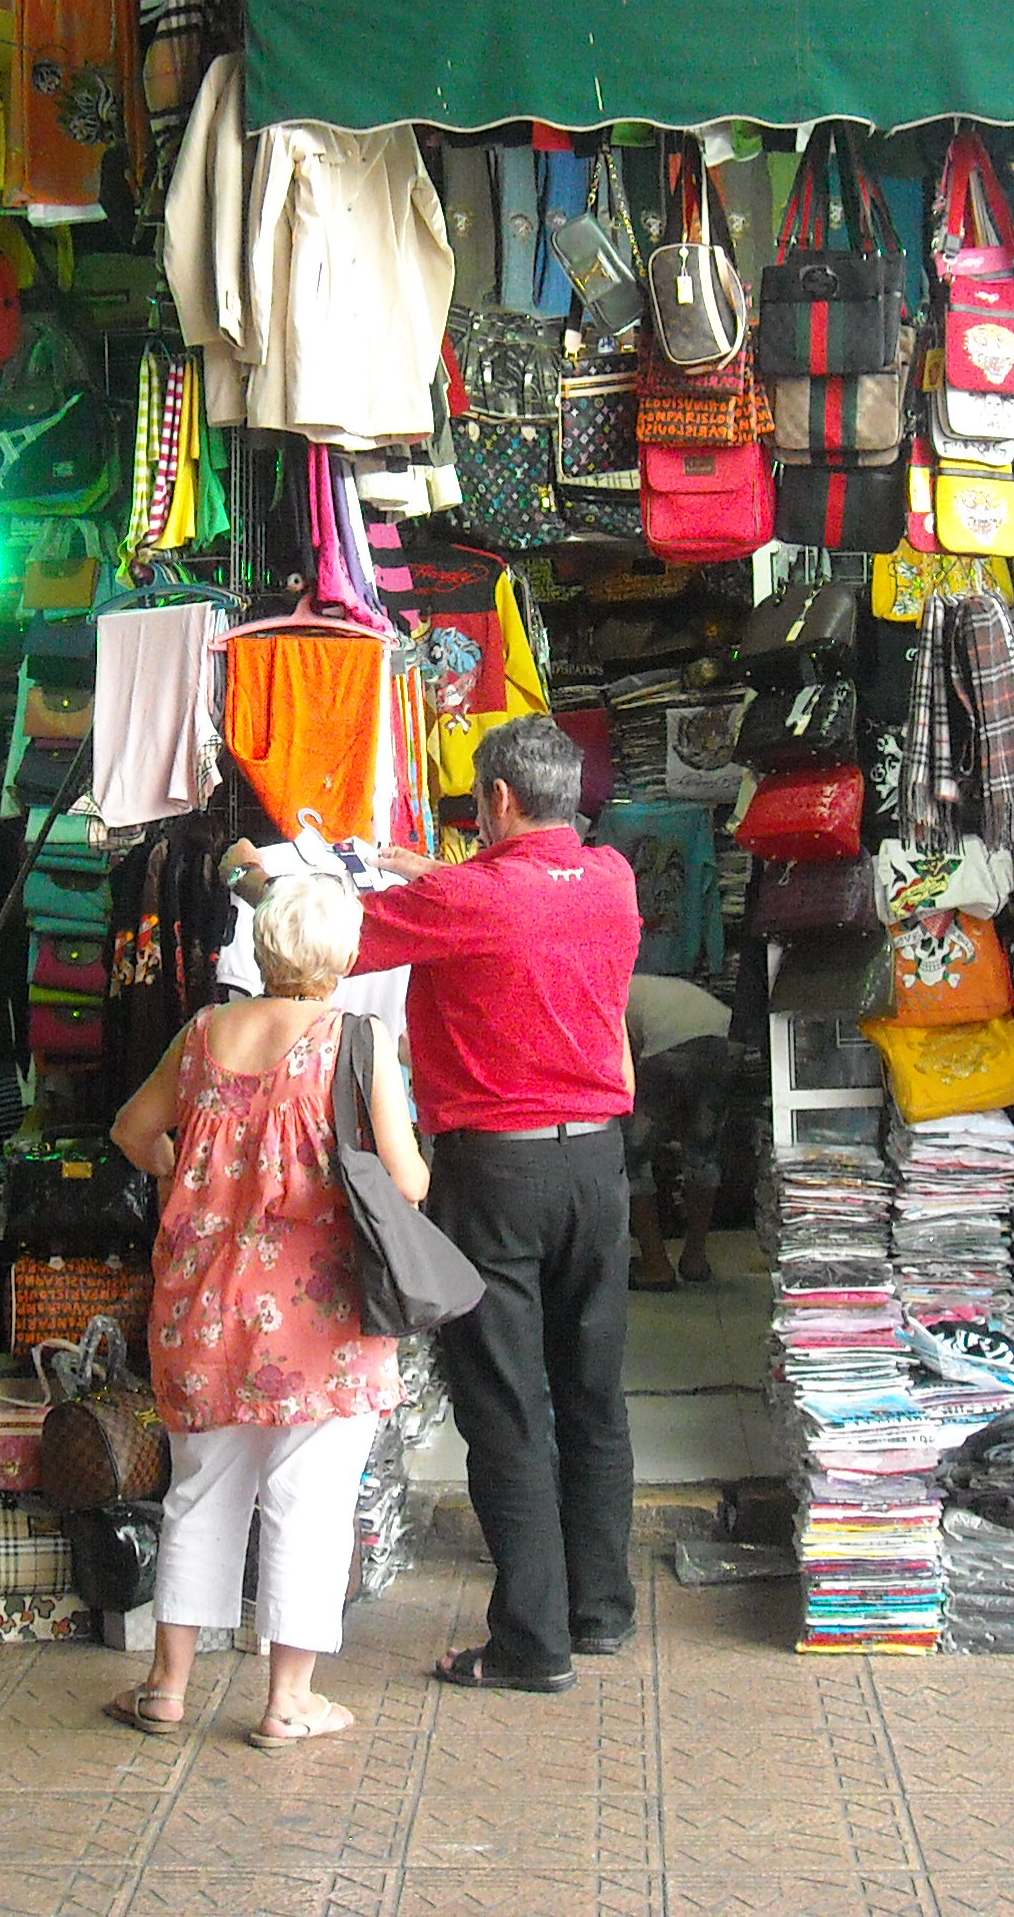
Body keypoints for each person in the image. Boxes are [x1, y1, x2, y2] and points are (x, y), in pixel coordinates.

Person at [352, 713, 644, 1691]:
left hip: (495, 1178)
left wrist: (263, 878)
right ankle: (600, 1611)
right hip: (597, 1168)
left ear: (500, 799)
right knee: (593, 1394)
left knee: (507, 1406)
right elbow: (504, 894)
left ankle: (531, 1642)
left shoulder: (464, 898)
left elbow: (332, 944)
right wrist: (424, 871)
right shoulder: (612, 879)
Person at [105, 873, 425, 1749]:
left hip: (203, 1303)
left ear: (264, 948)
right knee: (307, 1501)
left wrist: (182, 1171)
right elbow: (407, 1180)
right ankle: (288, 1701)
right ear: (346, 957)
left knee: (199, 1492)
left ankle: (167, 1688)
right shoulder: (356, 1039)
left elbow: (132, 1130)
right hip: (320, 1318)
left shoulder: (203, 1033)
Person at [624, 973, 743, 1293]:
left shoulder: (611, 991)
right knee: (702, 1152)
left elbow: (625, 1060)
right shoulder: (647, 985)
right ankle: (695, 1258)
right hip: (726, 1039)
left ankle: (655, 1264)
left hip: (669, 1047)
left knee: (632, 1156)